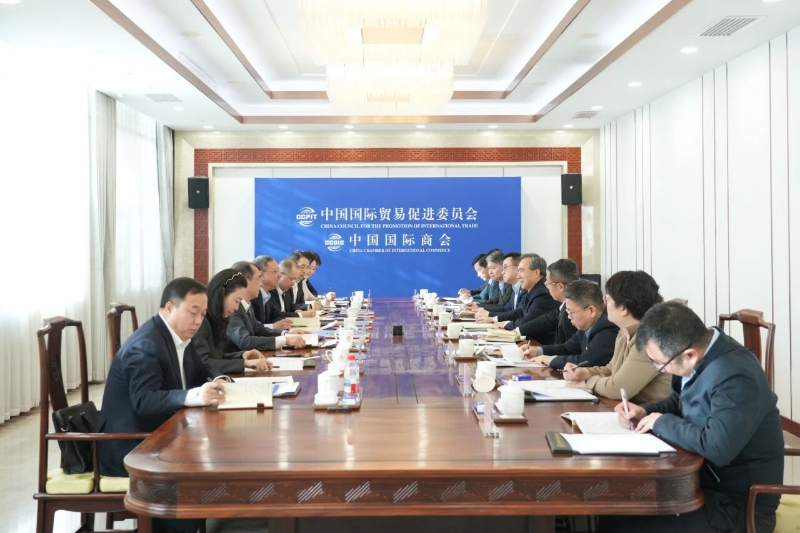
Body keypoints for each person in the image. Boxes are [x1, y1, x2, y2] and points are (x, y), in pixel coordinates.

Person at [605, 302, 784, 533]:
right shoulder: (705, 352)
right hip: (703, 483)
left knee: (623, 522)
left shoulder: (736, 375)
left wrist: (661, 422)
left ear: (689, 355)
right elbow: (681, 400)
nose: (660, 369)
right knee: (616, 508)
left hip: (738, 507)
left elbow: (717, 447)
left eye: (658, 363)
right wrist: (646, 411)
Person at [98, 278, 228, 533]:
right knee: (195, 476)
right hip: (130, 447)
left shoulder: (178, 336)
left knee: (218, 455)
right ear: (170, 307)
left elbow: (202, 367)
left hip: (158, 434)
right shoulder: (146, 346)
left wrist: (219, 379)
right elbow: (145, 401)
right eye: (193, 312)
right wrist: (195, 395)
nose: (198, 321)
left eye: (203, 314)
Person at [562, 271, 672, 404]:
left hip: (651, 413)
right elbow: (612, 369)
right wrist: (584, 372)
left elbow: (618, 388)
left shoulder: (650, 339)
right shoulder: (623, 332)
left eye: (608, 299)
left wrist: (587, 382)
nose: (604, 303)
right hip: (629, 408)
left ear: (624, 308)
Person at [194, 268, 273, 374]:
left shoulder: (216, 319)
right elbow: (203, 362)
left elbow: (217, 357)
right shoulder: (200, 321)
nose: (236, 308)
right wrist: (244, 363)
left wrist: (242, 355)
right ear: (222, 294)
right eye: (236, 301)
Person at [529, 279, 618, 369]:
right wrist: (538, 351)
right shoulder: (586, 325)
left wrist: (550, 360)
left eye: (571, 312)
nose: (568, 317)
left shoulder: (608, 329)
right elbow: (567, 348)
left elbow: (585, 361)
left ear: (591, 311)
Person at [226, 261, 307, 351]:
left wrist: (286, 334)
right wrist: (285, 340)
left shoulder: (247, 306)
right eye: (259, 278)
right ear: (245, 281)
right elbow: (245, 341)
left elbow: (260, 330)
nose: (261, 284)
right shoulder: (233, 308)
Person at [479, 253, 559, 330]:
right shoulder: (532, 290)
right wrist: (495, 319)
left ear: (536, 273)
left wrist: (505, 324)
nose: (518, 276)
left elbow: (527, 321)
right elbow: (519, 311)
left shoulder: (542, 293)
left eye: (521, 270)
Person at [515, 258, 579, 345]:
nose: (547, 287)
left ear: (560, 286)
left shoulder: (571, 314)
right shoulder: (564, 307)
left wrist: (540, 350)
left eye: (548, 283)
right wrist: (517, 331)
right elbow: (548, 319)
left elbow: (567, 349)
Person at [251, 255, 293, 330]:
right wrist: (273, 326)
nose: (280, 276)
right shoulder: (252, 297)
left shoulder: (267, 295)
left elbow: (278, 316)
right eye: (276, 271)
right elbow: (252, 328)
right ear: (261, 275)